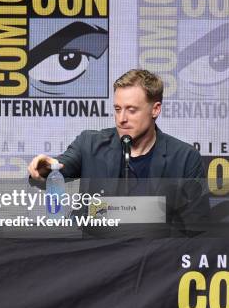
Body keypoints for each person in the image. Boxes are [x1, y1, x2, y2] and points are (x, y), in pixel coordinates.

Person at [28, 69, 208, 224]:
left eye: (131, 110)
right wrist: (46, 168)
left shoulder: (184, 158)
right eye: (117, 109)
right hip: (94, 254)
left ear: (155, 109)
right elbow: (60, 166)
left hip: (155, 257)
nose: (121, 119)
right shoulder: (90, 144)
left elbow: (196, 228)